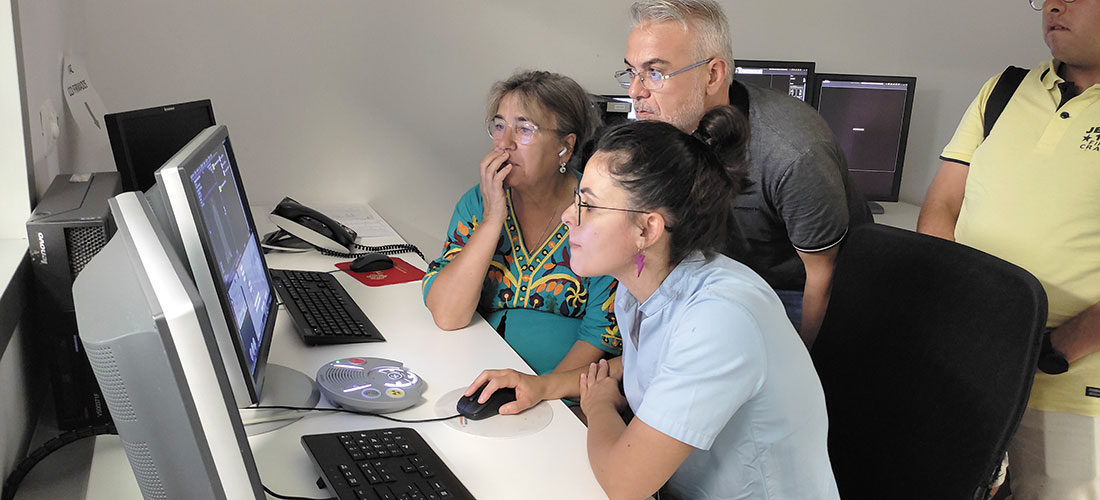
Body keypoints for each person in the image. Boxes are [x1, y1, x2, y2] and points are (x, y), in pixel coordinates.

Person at [574, 106, 835, 499]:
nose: (568, 217)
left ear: (647, 228)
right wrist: (541, 388)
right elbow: (646, 365)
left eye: (588, 206)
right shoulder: (639, 284)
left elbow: (623, 483)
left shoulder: (719, 317)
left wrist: (597, 408)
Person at [917, 0, 1100, 497]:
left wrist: (1059, 350)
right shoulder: (1003, 90)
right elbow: (942, 205)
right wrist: (960, 321)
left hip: (1073, 388)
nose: (1053, 6)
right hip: (973, 365)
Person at [616, 0, 871, 347]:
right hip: (718, 276)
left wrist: (805, 370)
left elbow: (822, 277)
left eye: (655, 74)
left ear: (713, 75)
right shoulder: (665, 128)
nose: (635, 91)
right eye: (632, 72)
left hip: (792, 289)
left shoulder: (792, 153)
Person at [422, 70, 622, 376]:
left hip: (563, 394)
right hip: (471, 374)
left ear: (565, 147)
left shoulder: (599, 211)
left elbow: (601, 336)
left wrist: (543, 393)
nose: (505, 143)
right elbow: (448, 316)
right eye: (499, 126)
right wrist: (492, 220)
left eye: (524, 129)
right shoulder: (478, 203)